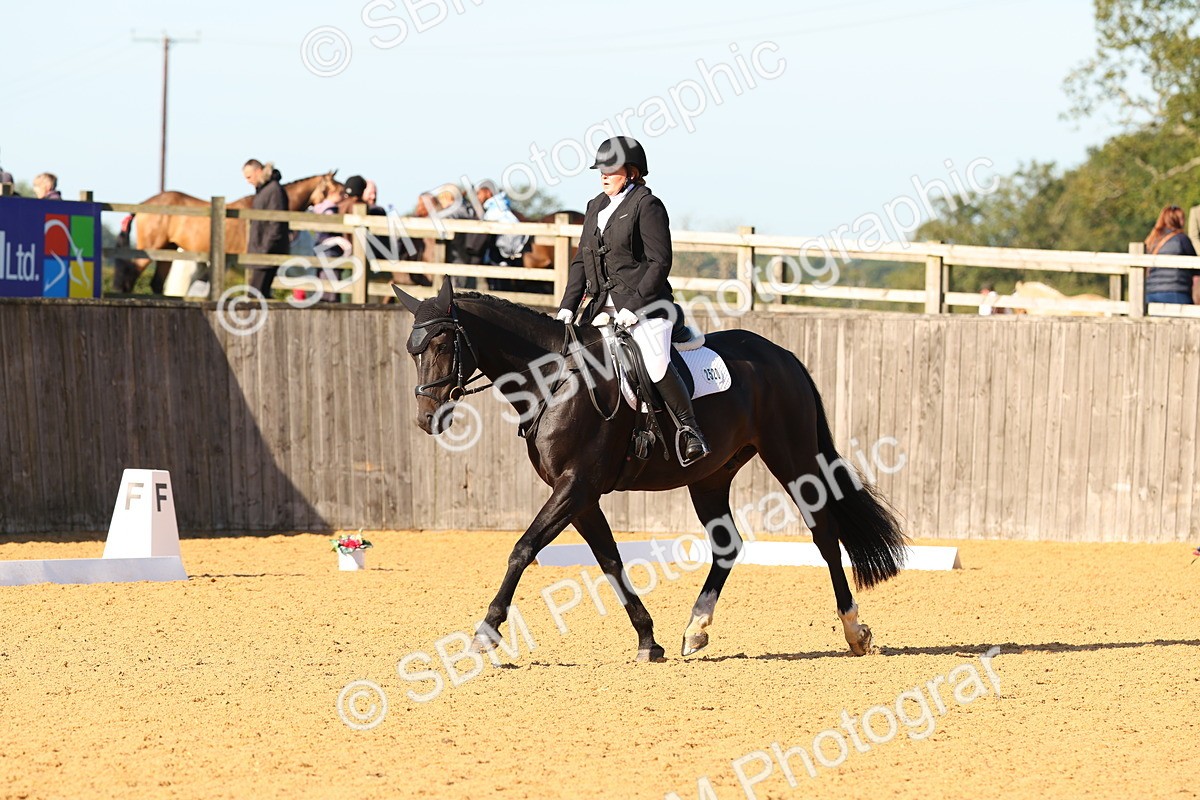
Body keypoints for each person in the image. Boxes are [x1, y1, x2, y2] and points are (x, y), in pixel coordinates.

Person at [556, 136, 709, 463]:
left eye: (611, 169)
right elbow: (582, 261)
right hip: (599, 310)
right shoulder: (595, 206)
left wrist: (633, 308)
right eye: (601, 170)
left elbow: (659, 262)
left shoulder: (647, 205)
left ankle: (690, 429)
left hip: (648, 308)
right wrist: (567, 307)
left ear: (633, 171)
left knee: (653, 363)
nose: (604, 175)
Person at [243, 159, 289, 296]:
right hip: (262, 251)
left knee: (254, 295)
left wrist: (264, 248)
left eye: (249, 177)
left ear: (258, 171)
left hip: (266, 252)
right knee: (260, 294)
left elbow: (276, 224)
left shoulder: (273, 190)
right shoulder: (264, 190)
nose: (248, 181)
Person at [1144, 205, 1200, 305]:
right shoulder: (1181, 239)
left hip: (1151, 292)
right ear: (1176, 220)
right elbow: (1195, 268)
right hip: (1176, 292)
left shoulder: (1152, 240)